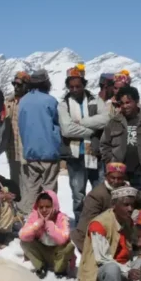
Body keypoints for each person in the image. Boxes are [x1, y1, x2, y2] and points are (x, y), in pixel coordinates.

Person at [78, 186, 139, 281]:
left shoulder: (127, 220)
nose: (130, 209)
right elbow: (103, 259)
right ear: (114, 205)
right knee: (112, 269)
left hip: (125, 267)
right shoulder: (99, 224)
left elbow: (135, 246)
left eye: (132, 205)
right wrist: (127, 271)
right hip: (100, 270)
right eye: (126, 205)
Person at [58, 67, 103, 224]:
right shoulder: (64, 104)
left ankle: (101, 224)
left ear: (84, 84)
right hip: (75, 154)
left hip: (95, 153)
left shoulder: (95, 100)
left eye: (78, 86)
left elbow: (106, 119)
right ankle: (81, 226)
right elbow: (67, 129)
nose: (75, 89)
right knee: (78, 195)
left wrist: (82, 124)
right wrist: (92, 130)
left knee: (100, 192)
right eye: (71, 87)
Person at [100, 85, 141, 202]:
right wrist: (111, 162)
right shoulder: (113, 122)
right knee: (122, 208)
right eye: (122, 103)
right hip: (120, 175)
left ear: (136, 101)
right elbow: (104, 145)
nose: (125, 106)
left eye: (128, 102)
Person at [18, 69, 61, 208]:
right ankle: (49, 219)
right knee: (49, 187)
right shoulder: (50, 100)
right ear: (46, 83)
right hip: (49, 150)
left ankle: (30, 218)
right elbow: (56, 122)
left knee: (32, 187)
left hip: (30, 150)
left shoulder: (23, 101)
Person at [72, 162, 131, 251]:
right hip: (96, 236)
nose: (116, 181)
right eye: (113, 178)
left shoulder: (128, 191)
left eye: (119, 178)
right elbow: (87, 223)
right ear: (106, 177)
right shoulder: (97, 195)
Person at [18, 190, 75, 278]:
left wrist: (50, 225)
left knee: (69, 246)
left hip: (57, 254)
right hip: (42, 252)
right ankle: (40, 266)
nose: (44, 210)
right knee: (24, 242)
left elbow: (63, 238)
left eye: (48, 207)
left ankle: (60, 270)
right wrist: (38, 223)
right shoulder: (34, 216)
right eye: (41, 207)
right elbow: (23, 235)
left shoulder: (62, 217)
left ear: (54, 206)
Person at [2, 72, 30, 198]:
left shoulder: (30, 102)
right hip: (11, 146)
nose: (16, 87)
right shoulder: (8, 101)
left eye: (19, 84)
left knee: (27, 179)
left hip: (26, 146)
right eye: (14, 84)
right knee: (14, 178)